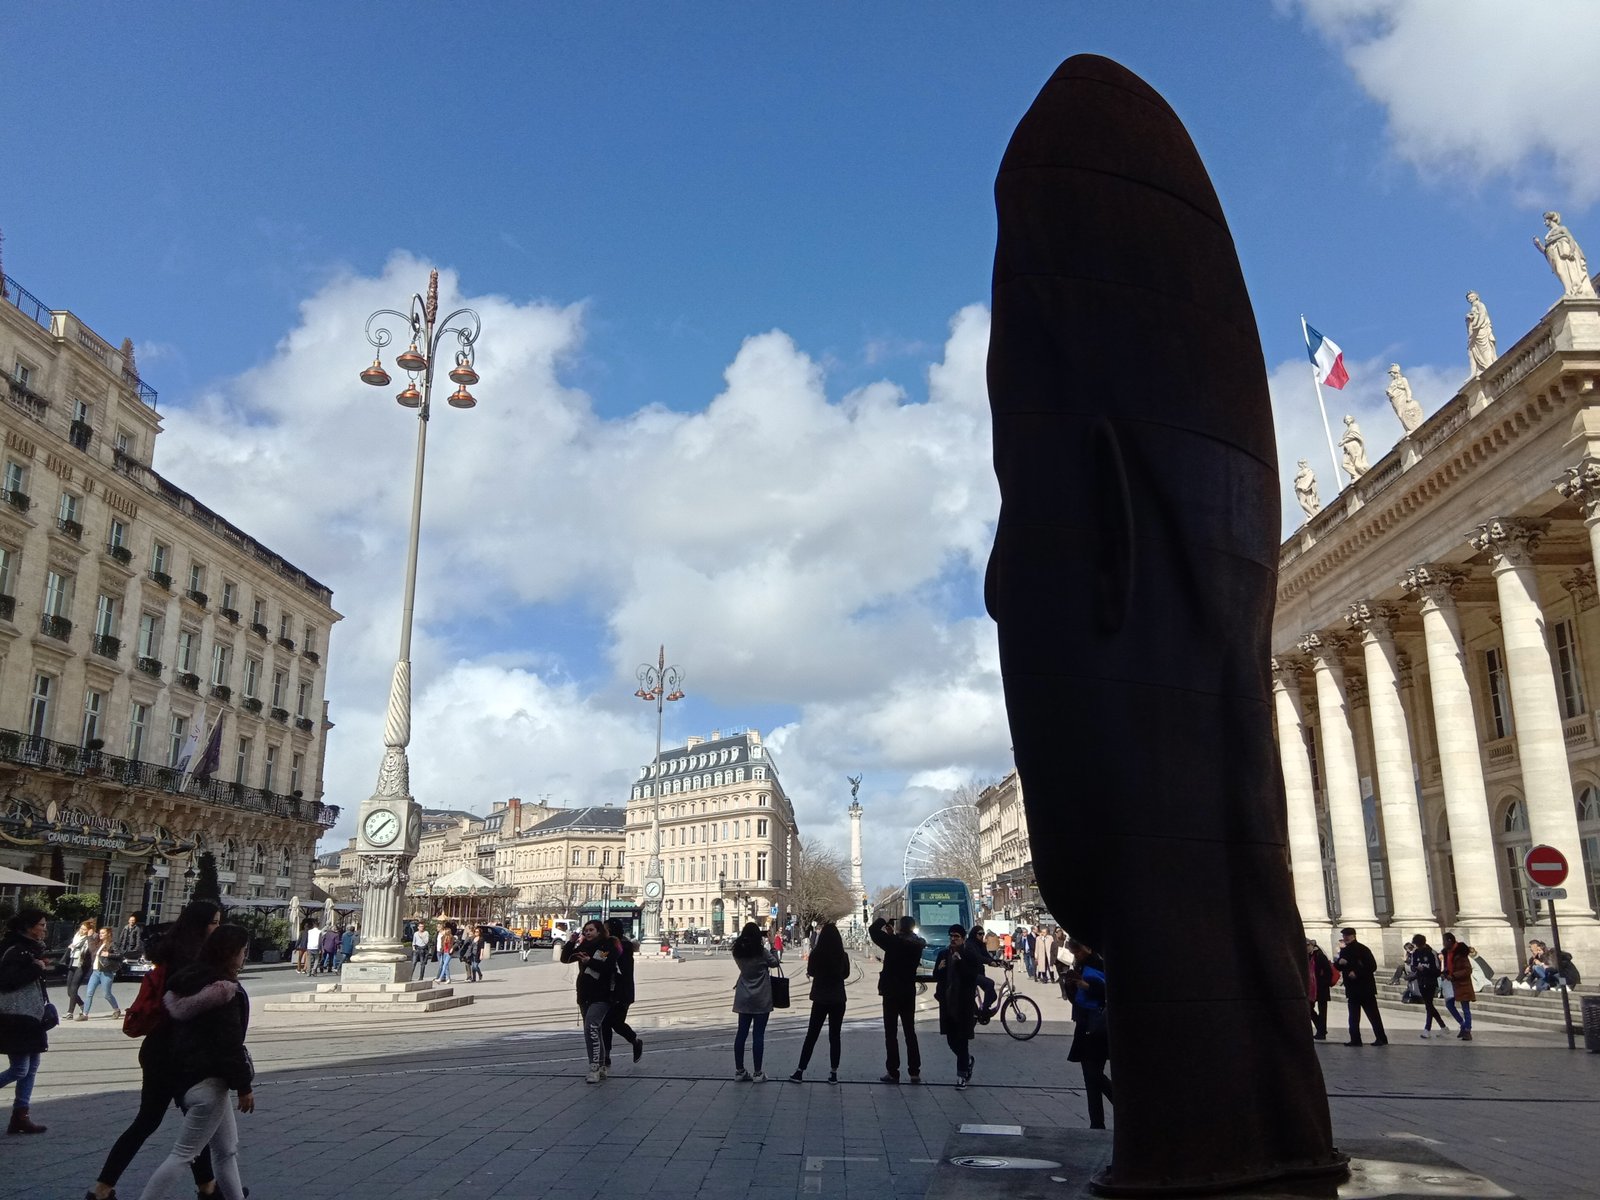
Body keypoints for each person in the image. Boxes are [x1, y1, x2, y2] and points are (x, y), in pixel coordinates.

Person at [88, 899, 225, 1200]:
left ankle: (101, 1188)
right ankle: (208, 1188)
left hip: (157, 1048)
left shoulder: (170, 953)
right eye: (214, 921)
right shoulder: (193, 963)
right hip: (181, 1054)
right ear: (201, 925)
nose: (217, 927)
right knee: (195, 1127)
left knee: (148, 1122)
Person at [136, 923, 254, 1200]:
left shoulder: (190, 982)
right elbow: (229, 1044)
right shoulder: (224, 992)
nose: (244, 957)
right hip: (210, 1082)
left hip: (189, 1077)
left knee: (227, 1150)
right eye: (242, 951)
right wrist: (244, 1086)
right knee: (183, 1155)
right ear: (231, 953)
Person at [0, 908, 54, 1135]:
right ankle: (20, 1116)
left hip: (31, 1015)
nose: (44, 929)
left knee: (32, 1066)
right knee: (20, 1069)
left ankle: (21, 1116)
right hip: (16, 1017)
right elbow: (7, 981)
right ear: (28, 927)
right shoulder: (14, 950)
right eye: (41, 924)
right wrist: (35, 967)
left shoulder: (28, 949)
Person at [789, 922, 849, 1084]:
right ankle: (833, 1073)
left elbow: (812, 971)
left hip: (820, 998)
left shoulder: (816, 954)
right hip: (838, 998)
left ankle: (800, 1070)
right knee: (835, 1036)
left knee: (812, 1035)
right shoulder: (842, 955)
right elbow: (846, 974)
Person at [560, 920, 619, 1083]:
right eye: (585, 930)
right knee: (595, 1030)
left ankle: (594, 1067)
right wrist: (571, 943)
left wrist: (589, 961)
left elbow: (605, 968)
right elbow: (565, 959)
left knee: (591, 1028)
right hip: (584, 994)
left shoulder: (606, 946)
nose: (587, 933)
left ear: (599, 931)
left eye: (591, 930)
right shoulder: (584, 946)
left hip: (602, 994)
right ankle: (600, 1066)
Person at [868, 915, 924, 1084]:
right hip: (908, 991)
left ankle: (893, 1071)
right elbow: (903, 944)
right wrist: (893, 936)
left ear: (900, 928)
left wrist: (883, 920)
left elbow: (873, 931)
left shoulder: (893, 943)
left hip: (891, 992)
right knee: (910, 1031)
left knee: (891, 1033)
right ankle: (914, 1072)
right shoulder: (917, 945)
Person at [1065, 939, 1113, 1129]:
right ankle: (1096, 1123)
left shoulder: (1099, 964)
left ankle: (1120, 1103)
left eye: (1078, 951)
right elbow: (1075, 999)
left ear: (1088, 948)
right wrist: (1071, 984)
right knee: (1090, 1077)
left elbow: (1106, 991)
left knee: (1093, 1074)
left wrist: (1086, 986)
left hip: (1096, 1025)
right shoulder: (1081, 965)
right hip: (1084, 1023)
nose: (1077, 955)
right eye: (1074, 953)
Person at [730, 921, 779, 1082]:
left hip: (743, 995)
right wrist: (772, 944)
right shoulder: (762, 952)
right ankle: (758, 1073)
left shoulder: (737, 952)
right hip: (761, 997)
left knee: (741, 1034)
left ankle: (739, 1070)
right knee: (758, 1035)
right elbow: (775, 962)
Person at [933, 925, 981, 1088]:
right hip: (947, 1004)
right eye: (951, 936)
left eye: (956, 936)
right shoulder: (943, 954)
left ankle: (961, 1076)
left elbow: (972, 976)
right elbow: (937, 976)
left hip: (964, 1004)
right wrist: (939, 970)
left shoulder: (969, 954)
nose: (953, 939)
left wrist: (960, 963)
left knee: (962, 1041)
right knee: (951, 1040)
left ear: (963, 938)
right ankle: (967, 1060)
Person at [1331, 927, 1386, 1047]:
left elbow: (1372, 966)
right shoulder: (1344, 950)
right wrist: (1338, 963)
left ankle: (1381, 1038)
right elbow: (1339, 965)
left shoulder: (1362, 949)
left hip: (1365, 988)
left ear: (1353, 936)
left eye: (1347, 935)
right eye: (1344, 935)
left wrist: (1356, 972)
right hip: (1352, 988)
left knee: (1373, 1015)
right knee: (1353, 1016)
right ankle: (1355, 1039)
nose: (1345, 937)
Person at [601, 918, 644, 1068]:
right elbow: (598, 960)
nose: (603, 932)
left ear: (612, 930)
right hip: (609, 991)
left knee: (614, 1022)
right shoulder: (610, 945)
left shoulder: (622, 946)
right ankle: (606, 1055)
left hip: (621, 992)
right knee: (607, 1023)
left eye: (605, 929)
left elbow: (618, 969)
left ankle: (634, 1041)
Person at [1533, 211, 1596, 298]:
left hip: (1564, 253)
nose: (1544, 223)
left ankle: (1571, 290)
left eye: (1545, 220)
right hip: (1553, 255)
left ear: (1550, 219)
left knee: (1566, 271)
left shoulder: (1561, 228)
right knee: (1559, 272)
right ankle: (1569, 290)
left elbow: (1571, 240)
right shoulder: (1547, 235)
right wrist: (1538, 244)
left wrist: (1572, 251)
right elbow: (1545, 251)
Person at [1405, 934, 1446, 1039]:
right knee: (1429, 1005)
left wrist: (1425, 969)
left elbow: (1437, 970)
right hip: (1421, 981)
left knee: (1428, 1005)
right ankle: (1443, 1026)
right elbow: (1413, 967)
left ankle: (1427, 1029)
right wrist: (1416, 969)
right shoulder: (1415, 953)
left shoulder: (1432, 953)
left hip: (1430, 982)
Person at [83, 927, 124, 1019]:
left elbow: (120, 955)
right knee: (89, 993)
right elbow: (91, 949)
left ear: (108, 934)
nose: (100, 934)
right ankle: (85, 1014)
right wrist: (89, 936)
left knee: (107, 994)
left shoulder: (112, 944)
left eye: (102, 933)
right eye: (100, 933)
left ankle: (116, 1010)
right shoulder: (99, 944)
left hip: (106, 972)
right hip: (95, 972)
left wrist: (108, 954)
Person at [1441, 931, 1475, 1040]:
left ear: (1450, 941)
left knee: (1466, 1008)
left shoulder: (1461, 953)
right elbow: (1448, 966)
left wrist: (1454, 975)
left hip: (1462, 984)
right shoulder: (1447, 953)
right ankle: (1462, 1024)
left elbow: (1467, 969)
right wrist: (1445, 973)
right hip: (1452, 984)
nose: (1443, 944)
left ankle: (1467, 1030)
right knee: (1449, 1004)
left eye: (1445, 941)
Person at [64, 918, 98, 1021]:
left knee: (74, 988)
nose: (82, 931)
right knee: (69, 991)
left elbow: (92, 950)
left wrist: (89, 937)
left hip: (82, 964)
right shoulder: (77, 936)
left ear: (89, 930)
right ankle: (82, 1005)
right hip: (73, 962)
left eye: (84, 929)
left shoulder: (92, 937)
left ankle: (70, 1012)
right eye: (81, 929)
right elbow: (73, 946)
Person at [968, 924, 998, 1022]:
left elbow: (987, 956)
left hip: (980, 972)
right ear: (974, 934)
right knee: (990, 983)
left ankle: (982, 1010)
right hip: (971, 974)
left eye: (983, 934)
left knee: (993, 995)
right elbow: (977, 957)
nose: (982, 936)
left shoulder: (981, 944)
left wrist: (999, 962)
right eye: (979, 934)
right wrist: (989, 962)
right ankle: (984, 1011)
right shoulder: (970, 944)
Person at [1305, 939, 1333, 1040]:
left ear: (1313, 945)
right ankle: (1321, 1028)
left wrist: (1324, 983)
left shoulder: (1320, 956)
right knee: (1308, 1008)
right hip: (1310, 988)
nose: (1306, 947)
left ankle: (1321, 1032)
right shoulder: (1307, 957)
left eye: (1308, 945)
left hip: (1321, 988)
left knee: (1322, 1011)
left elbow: (1328, 972)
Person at [1386, 364, 1424, 433]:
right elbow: (1390, 391)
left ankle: (1411, 428)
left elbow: (1408, 389)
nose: (1391, 374)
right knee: (1399, 415)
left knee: (1402, 414)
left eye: (1391, 373)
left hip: (1402, 398)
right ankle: (1407, 429)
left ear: (1395, 372)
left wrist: (1409, 397)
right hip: (1395, 400)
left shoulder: (1403, 379)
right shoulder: (1392, 382)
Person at [1466, 291, 1497, 376]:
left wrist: (1477, 325)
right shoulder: (1473, 307)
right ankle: (1482, 367)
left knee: (1484, 348)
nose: (1470, 299)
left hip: (1481, 330)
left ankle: (1488, 365)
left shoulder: (1480, 305)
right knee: (1475, 349)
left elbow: (1483, 315)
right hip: (1476, 332)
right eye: (1468, 298)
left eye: (1471, 297)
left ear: (1476, 297)